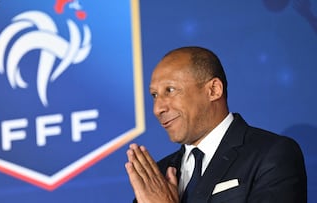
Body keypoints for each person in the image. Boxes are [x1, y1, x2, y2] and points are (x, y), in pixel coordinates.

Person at [125, 46, 307, 203]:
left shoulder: (272, 154)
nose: (158, 108)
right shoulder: (157, 177)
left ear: (213, 90)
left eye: (170, 90)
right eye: (154, 95)